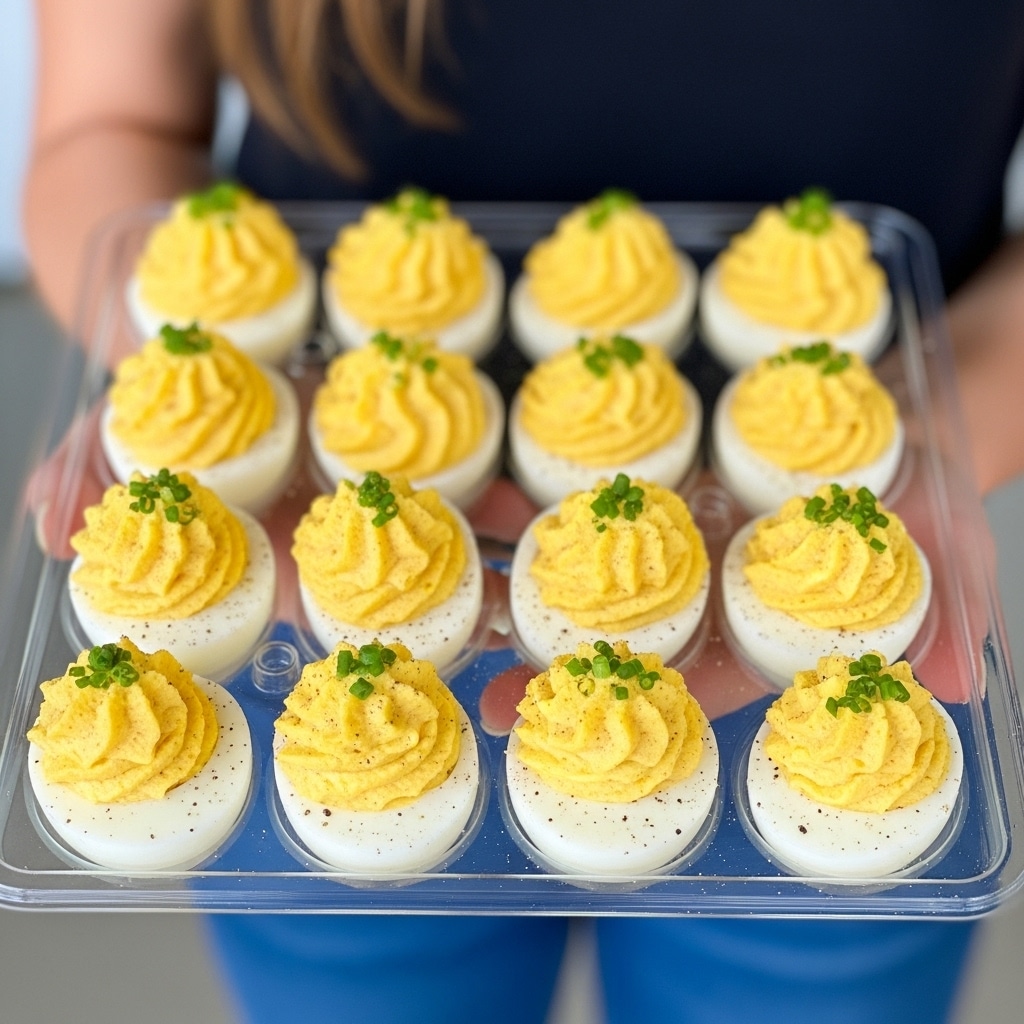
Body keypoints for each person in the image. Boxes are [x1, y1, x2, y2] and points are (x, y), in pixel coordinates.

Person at [21, 1, 1024, 1021]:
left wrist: (941, 432)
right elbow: (107, 125)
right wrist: (204, 397)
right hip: (314, 620)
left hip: (852, 651)